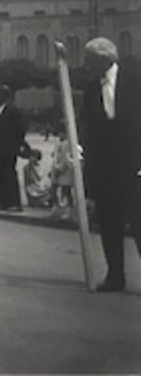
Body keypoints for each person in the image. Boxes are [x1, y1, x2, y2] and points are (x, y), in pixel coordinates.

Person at [80, 37, 141, 292]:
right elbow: (87, 127)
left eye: (88, 60)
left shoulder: (135, 79)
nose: (85, 65)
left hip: (135, 163)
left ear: (104, 60)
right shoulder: (91, 89)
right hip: (105, 167)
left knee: (139, 221)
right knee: (109, 222)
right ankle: (115, 275)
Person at [0, 85, 28, 212]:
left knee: (9, 174)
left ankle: (14, 202)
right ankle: (4, 201)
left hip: (8, 149)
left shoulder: (12, 110)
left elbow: (20, 128)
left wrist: (15, 144)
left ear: (5, 96)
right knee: (0, 175)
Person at [48, 124, 75, 220]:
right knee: (53, 188)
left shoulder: (69, 143)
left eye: (62, 133)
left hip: (65, 170)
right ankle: (55, 207)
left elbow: (66, 158)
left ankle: (69, 209)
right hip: (56, 168)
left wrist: (60, 169)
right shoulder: (58, 143)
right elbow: (55, 156)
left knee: (66, 190)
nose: (60, 135)